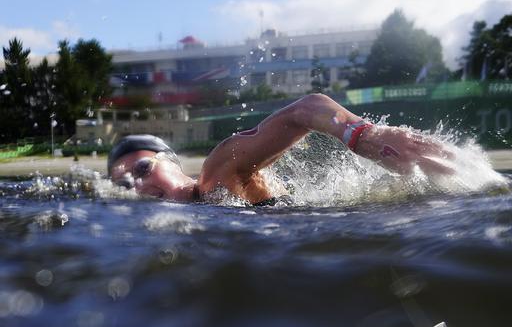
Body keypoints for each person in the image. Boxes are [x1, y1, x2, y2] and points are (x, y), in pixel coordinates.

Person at [107, 94, 456, 204]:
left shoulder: (216, 174)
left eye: (142, 170)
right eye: (124, 186)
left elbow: (304, 110)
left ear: (170, 161)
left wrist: (363, 134)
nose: (138, 187)